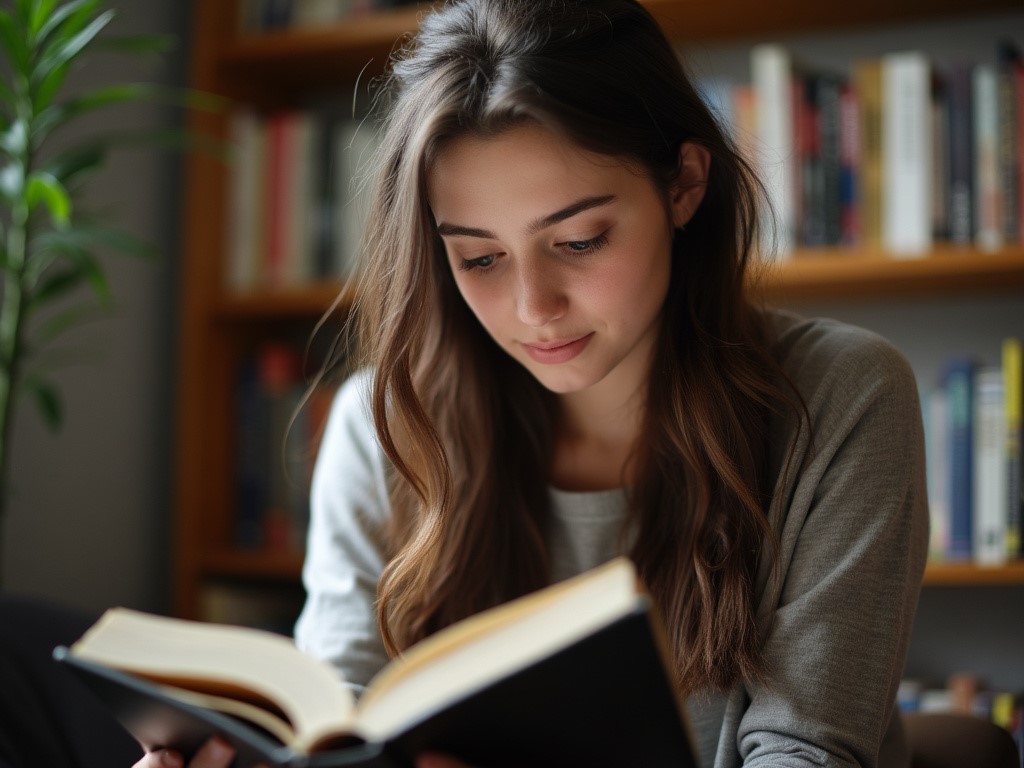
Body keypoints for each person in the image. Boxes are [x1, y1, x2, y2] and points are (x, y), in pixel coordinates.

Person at [136, 0, 929, 766]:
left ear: (684, 184)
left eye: (580, 241)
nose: (532, 308)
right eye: (479, 258)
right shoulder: (380, 427)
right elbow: (339, 715)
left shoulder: (843, 398)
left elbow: (805, 756)